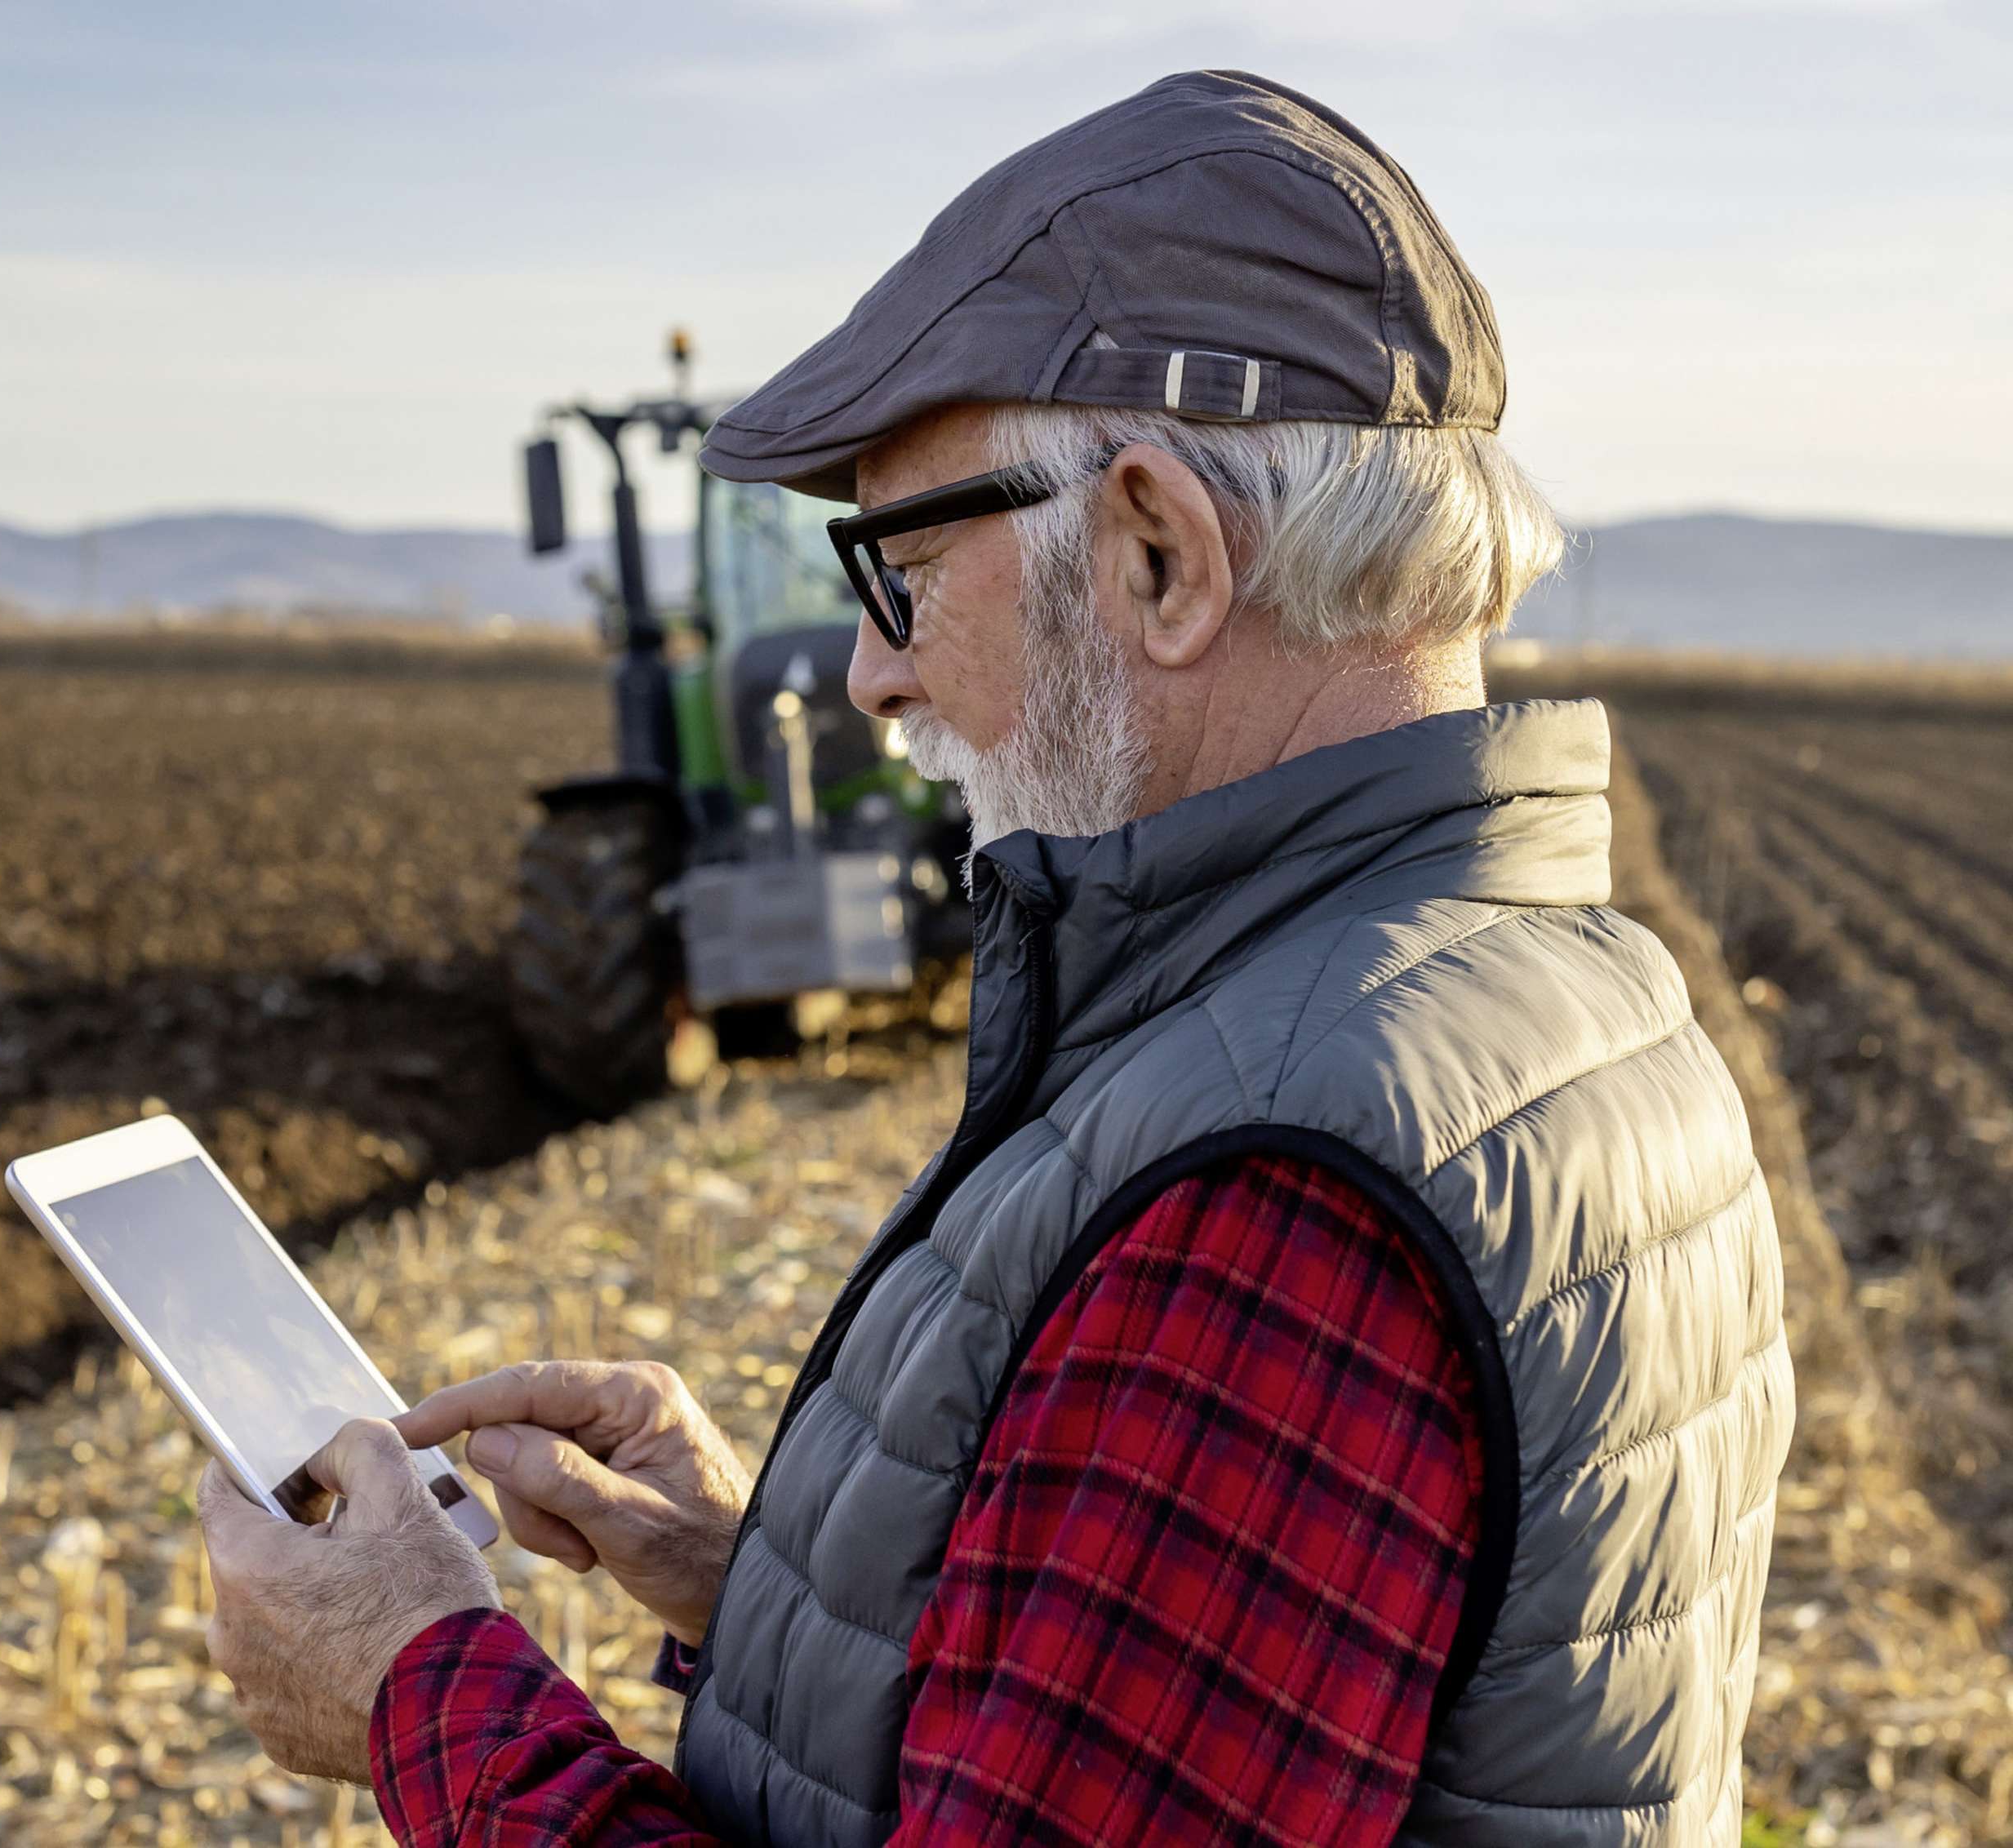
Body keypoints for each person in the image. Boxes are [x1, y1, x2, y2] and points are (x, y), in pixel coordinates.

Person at [199, 69, 1795, 1846]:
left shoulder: (1277, 1194)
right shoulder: (1558, 1004)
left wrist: (424, 1691)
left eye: (898, 565)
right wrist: (761, 1579)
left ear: (1157, 550)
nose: (872, 673)